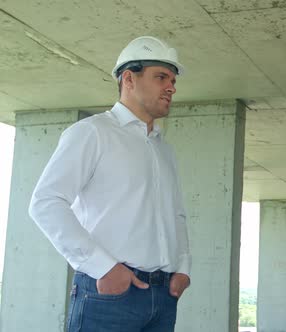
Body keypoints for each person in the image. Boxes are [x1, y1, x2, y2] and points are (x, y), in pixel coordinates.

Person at [29, 36, 191, 332]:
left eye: (172, 80)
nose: (171, 87)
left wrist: (182, 268)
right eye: (161, 77)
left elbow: (176, 213)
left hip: (163, 297)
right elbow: (46, 203)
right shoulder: (92, 133)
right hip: (109, 295)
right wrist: (104, 267)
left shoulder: (163, 148)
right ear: (129, 79)